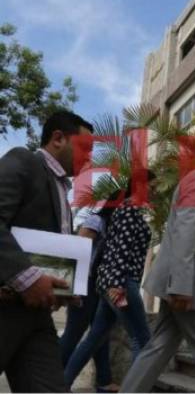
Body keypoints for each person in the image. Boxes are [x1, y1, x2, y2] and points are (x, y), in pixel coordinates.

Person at [120, 141, 195, 393]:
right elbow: (186, 233)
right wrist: (182, 285)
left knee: (160, 346)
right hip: (192, 289)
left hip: (186, 286)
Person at [0, 111, 93, 392]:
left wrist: (65, 287)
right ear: (58, 139)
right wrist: (27, 278)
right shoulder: (23, 161)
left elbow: (49, 250)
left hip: (37, 315)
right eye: (85, 148)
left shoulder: (62, 189)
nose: (89, 158)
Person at [64, 180, 153, 389]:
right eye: (153, 186)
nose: (156, 191)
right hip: (120, 285)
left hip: (108, 284)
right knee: (142, 341)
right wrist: (116, 284)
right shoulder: (129, 209)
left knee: (95, 339)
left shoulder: (123, 211)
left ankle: (62, 384)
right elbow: (120, 249)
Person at [60, 201, 120, 393]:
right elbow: (77, 251)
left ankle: (103, 380)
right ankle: (55, 378)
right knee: (74, 332)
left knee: (99, 334)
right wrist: (74, 287)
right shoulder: (96, 220)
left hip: (98, 285)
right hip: (84, 283)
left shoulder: (115, 223)